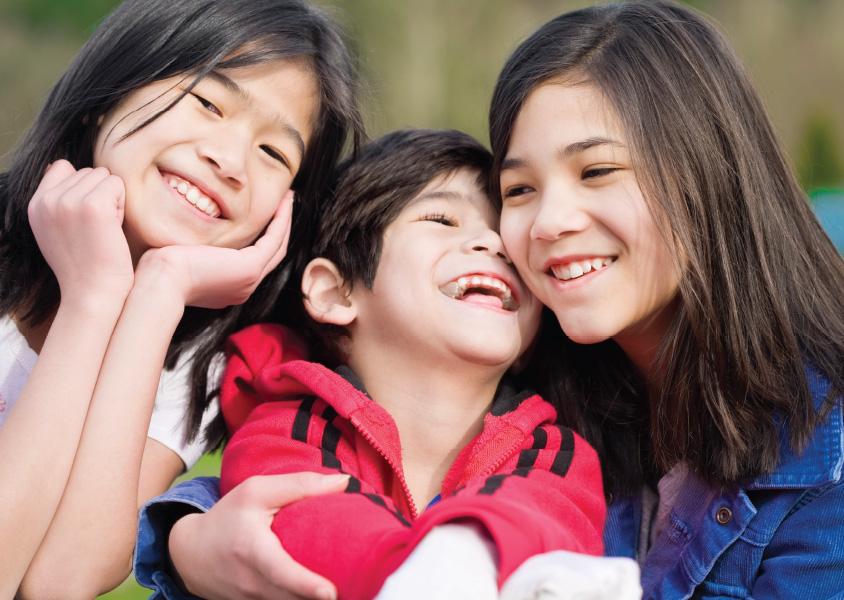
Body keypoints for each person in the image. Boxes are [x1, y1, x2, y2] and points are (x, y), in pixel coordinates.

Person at [142, 129, 639, 599]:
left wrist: (470, 552)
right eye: (442, 220)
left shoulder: (554, 450)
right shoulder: (287, 428)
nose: (493, 246)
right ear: (335, 292)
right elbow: (312, 527)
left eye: (508, 245)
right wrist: (427, 566)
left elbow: (542, 520)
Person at [0, 0, 362, 597]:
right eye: (209, 103)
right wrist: (93, 296)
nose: (230, 161)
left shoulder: (198, 361)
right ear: (108, 91)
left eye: (274, 153)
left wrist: (137, 295)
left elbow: (61, 582)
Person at [488, 1, 844, 598]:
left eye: (597, 171)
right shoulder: (533, 415)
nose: (548, 222)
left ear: (706, 171)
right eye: (519, 188)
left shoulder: (827, 460)